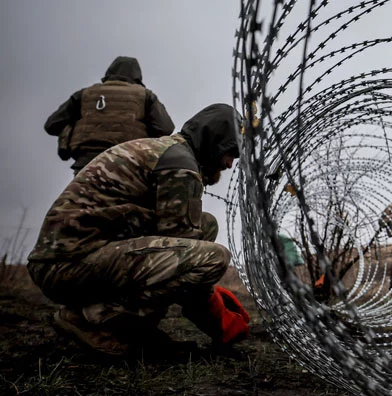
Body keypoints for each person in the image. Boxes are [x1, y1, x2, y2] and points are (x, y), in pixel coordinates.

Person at [26, 103, 248, 357]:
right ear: (214, 141)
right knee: (214, 257)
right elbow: (184, 253)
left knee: (206, 225)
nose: (230, 164)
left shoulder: (166, 151)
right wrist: (218, 315)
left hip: (71, 258)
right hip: (67, 266)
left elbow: (179, 241)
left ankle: (134, 329)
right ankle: (95, 322)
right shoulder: (180, 164)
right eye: (230, 152)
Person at [44, 56, 175, 174]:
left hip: (87, 164)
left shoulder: (85, 95)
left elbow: (52, 125)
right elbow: (166, 128)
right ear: (137, 76)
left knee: (82, 200)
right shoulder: (145, 96)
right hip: (127, 164)